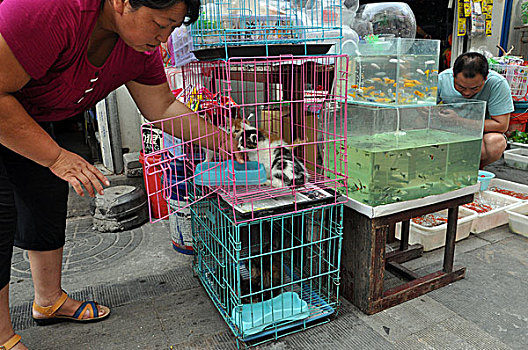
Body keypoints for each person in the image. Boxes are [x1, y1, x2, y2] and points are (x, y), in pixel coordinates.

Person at [0, 0, 244, 348]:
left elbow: (161, 105)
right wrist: (57, 157)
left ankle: (49, 301)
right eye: (160, 24)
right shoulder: (47, 10)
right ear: (122, 2)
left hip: (27, 110)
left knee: (45, 193)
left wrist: (219, 140)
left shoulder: (138, 50)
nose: (163, 39)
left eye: (172, 29)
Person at [438, 52, 514, 168]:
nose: (467, 93)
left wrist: (458, 120)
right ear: (453, 75)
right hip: (447, 131)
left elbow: (501, 125)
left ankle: (474, 168)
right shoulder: (443, 78)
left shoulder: (497, 84)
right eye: (461, 87)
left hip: (477, 135)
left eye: (475, 88)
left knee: (496, 142)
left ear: (485, 78)